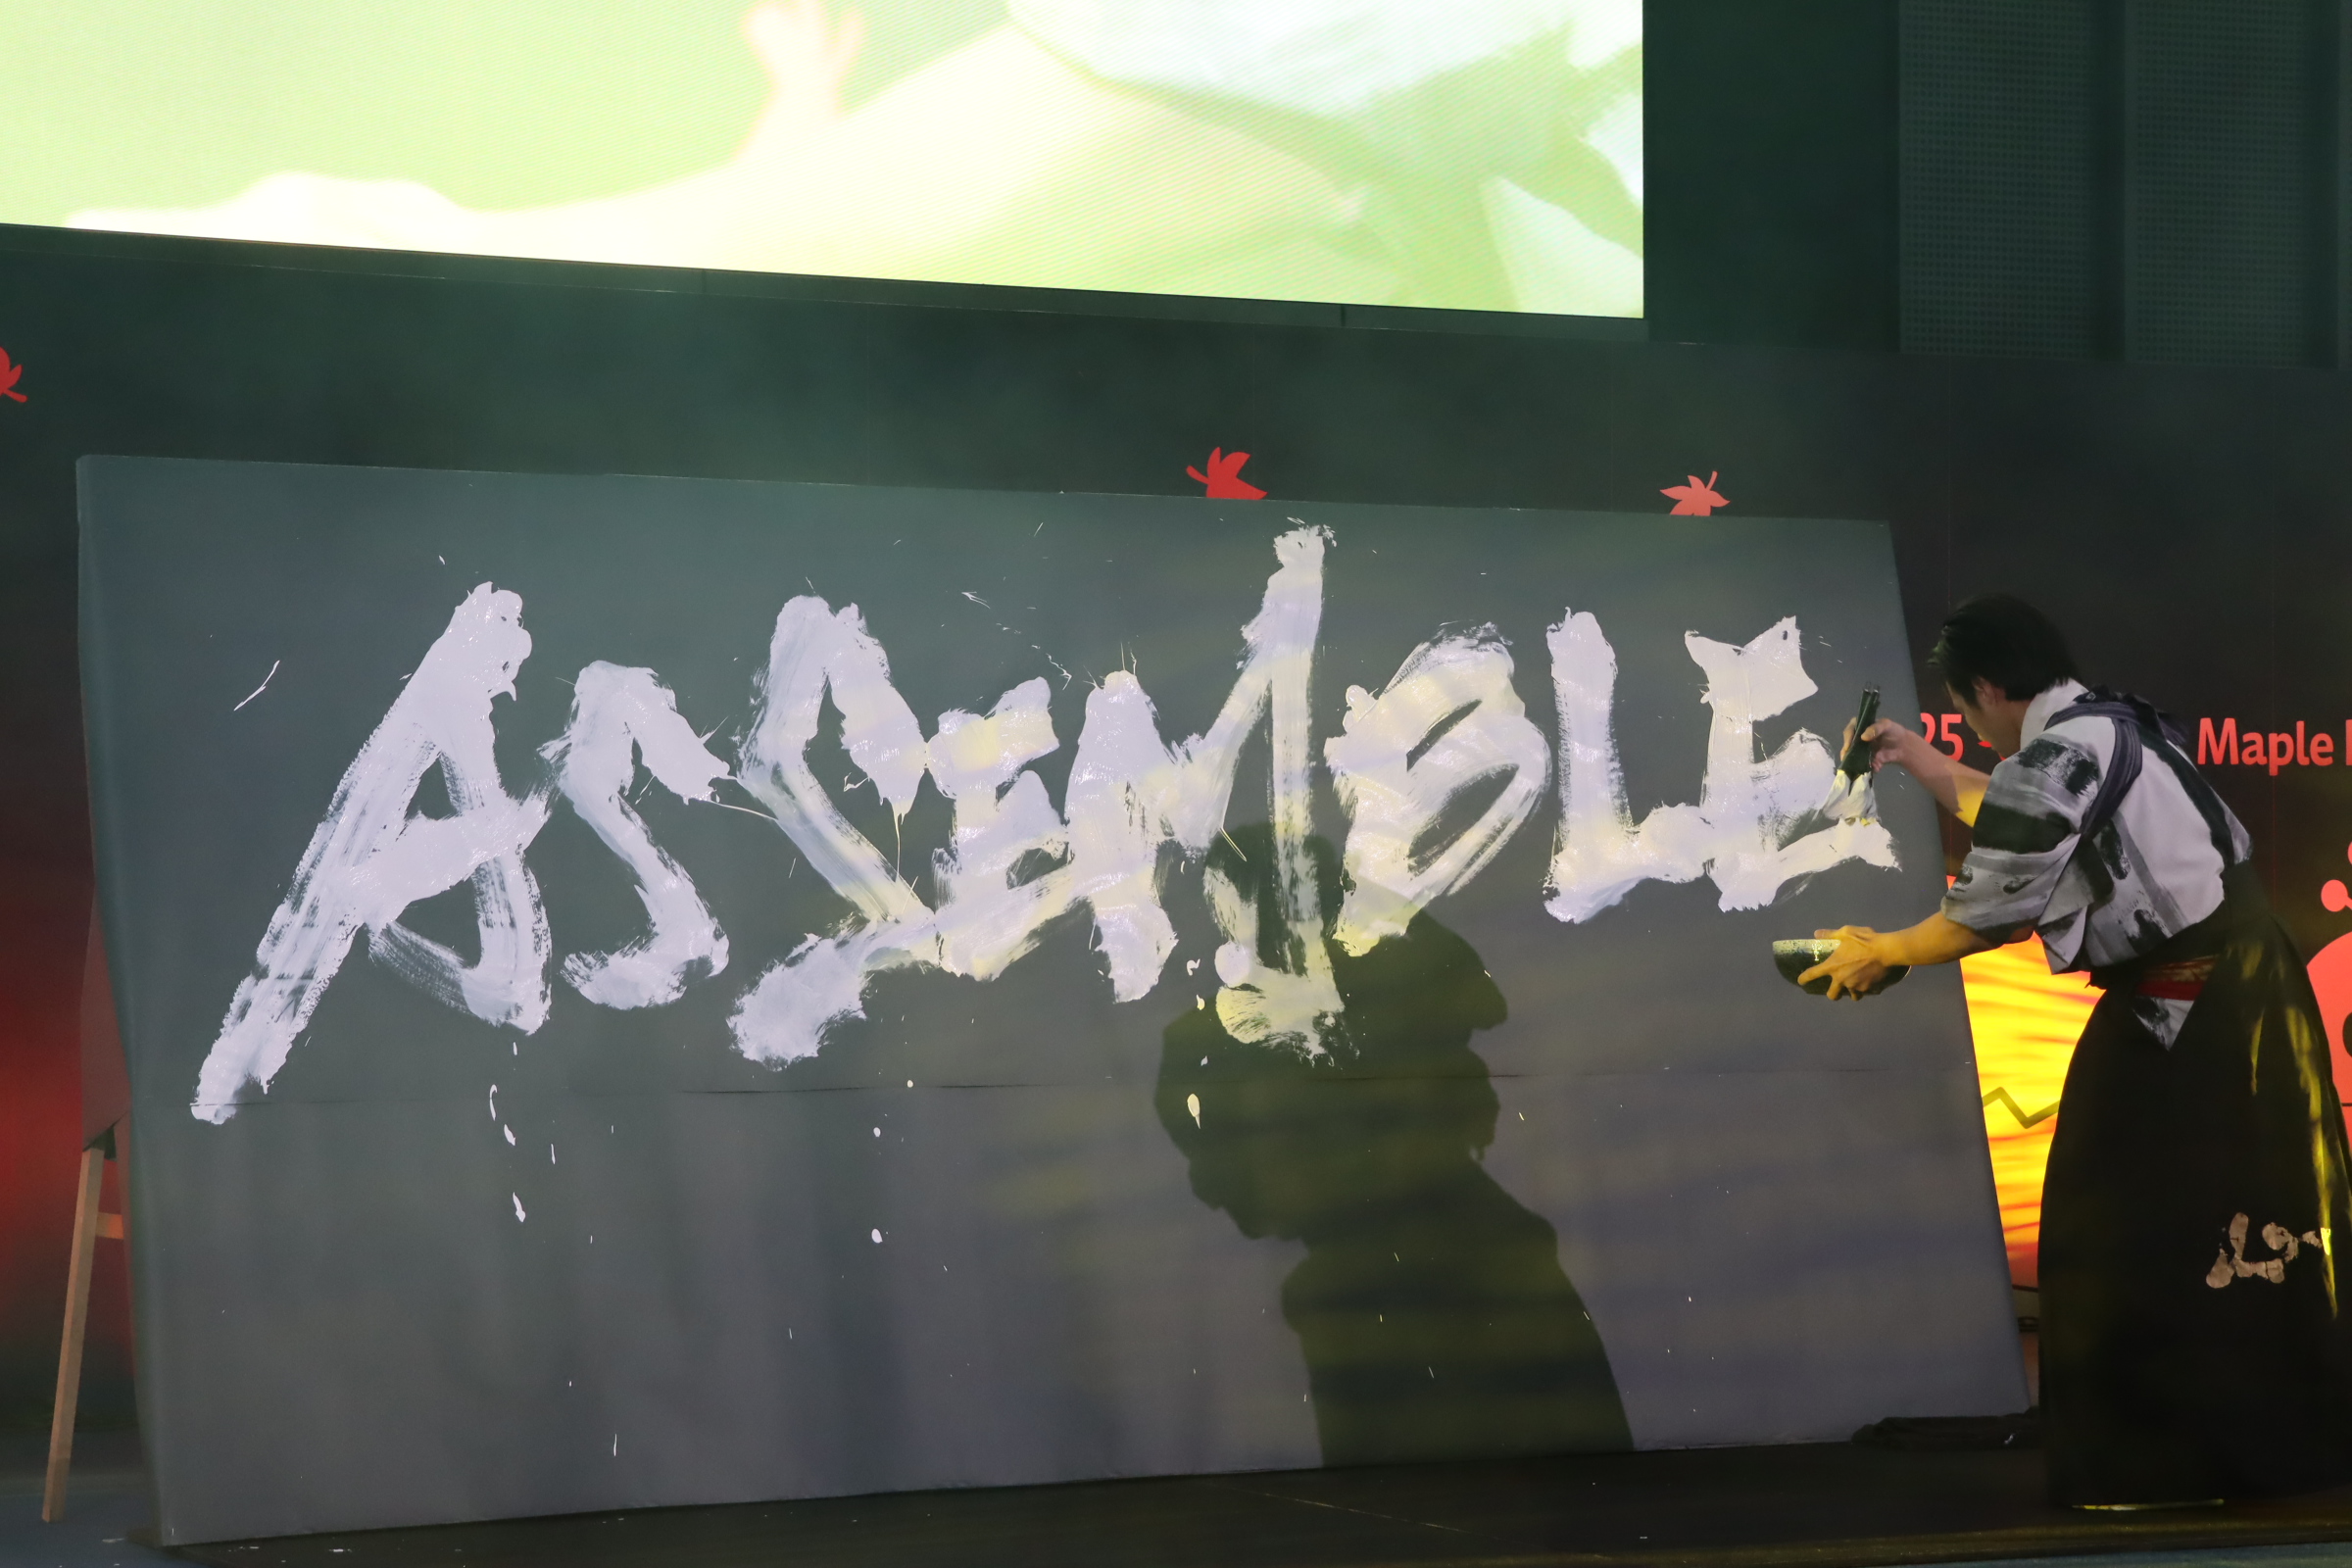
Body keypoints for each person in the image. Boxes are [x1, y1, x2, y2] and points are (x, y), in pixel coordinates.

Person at [1804, 594, 2352, 1507]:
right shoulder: (2115, 725)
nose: (1975, 726)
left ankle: (2157, 1463)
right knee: (2226, 1217)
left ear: (1986, 687)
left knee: (2116, 1225)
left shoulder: (2058, 756)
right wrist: (1921, 758)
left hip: (2188, 1002)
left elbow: (1988, 911)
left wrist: (1883, 950)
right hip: (2245, 989)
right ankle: (2249, 1449)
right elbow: (2028, 822)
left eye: (1965, 708)